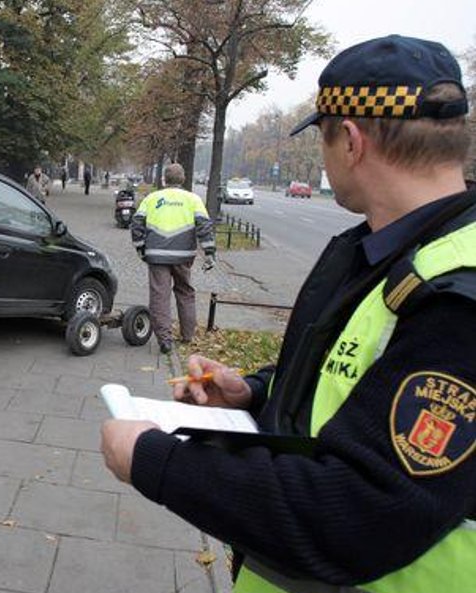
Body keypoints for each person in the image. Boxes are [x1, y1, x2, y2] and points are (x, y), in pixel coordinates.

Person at [101, 35, 475, 592]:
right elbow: (357, 388)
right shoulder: (384, 249)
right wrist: (254, 391)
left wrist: (154, 461)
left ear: (350, 141)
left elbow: (357, 515)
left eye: (322, 139)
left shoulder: (457, 299)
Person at [130, 162, 215, 354]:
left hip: (156, 255)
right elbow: (204, 226)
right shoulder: (193, 199)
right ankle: (187, 336)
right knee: (185, 292)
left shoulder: (151, 198)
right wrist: (209, 252)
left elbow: (136, 224)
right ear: (183, 179)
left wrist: (140, 248)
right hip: (184, 256)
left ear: (164, 179)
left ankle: (164, 340)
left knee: (160, 295)